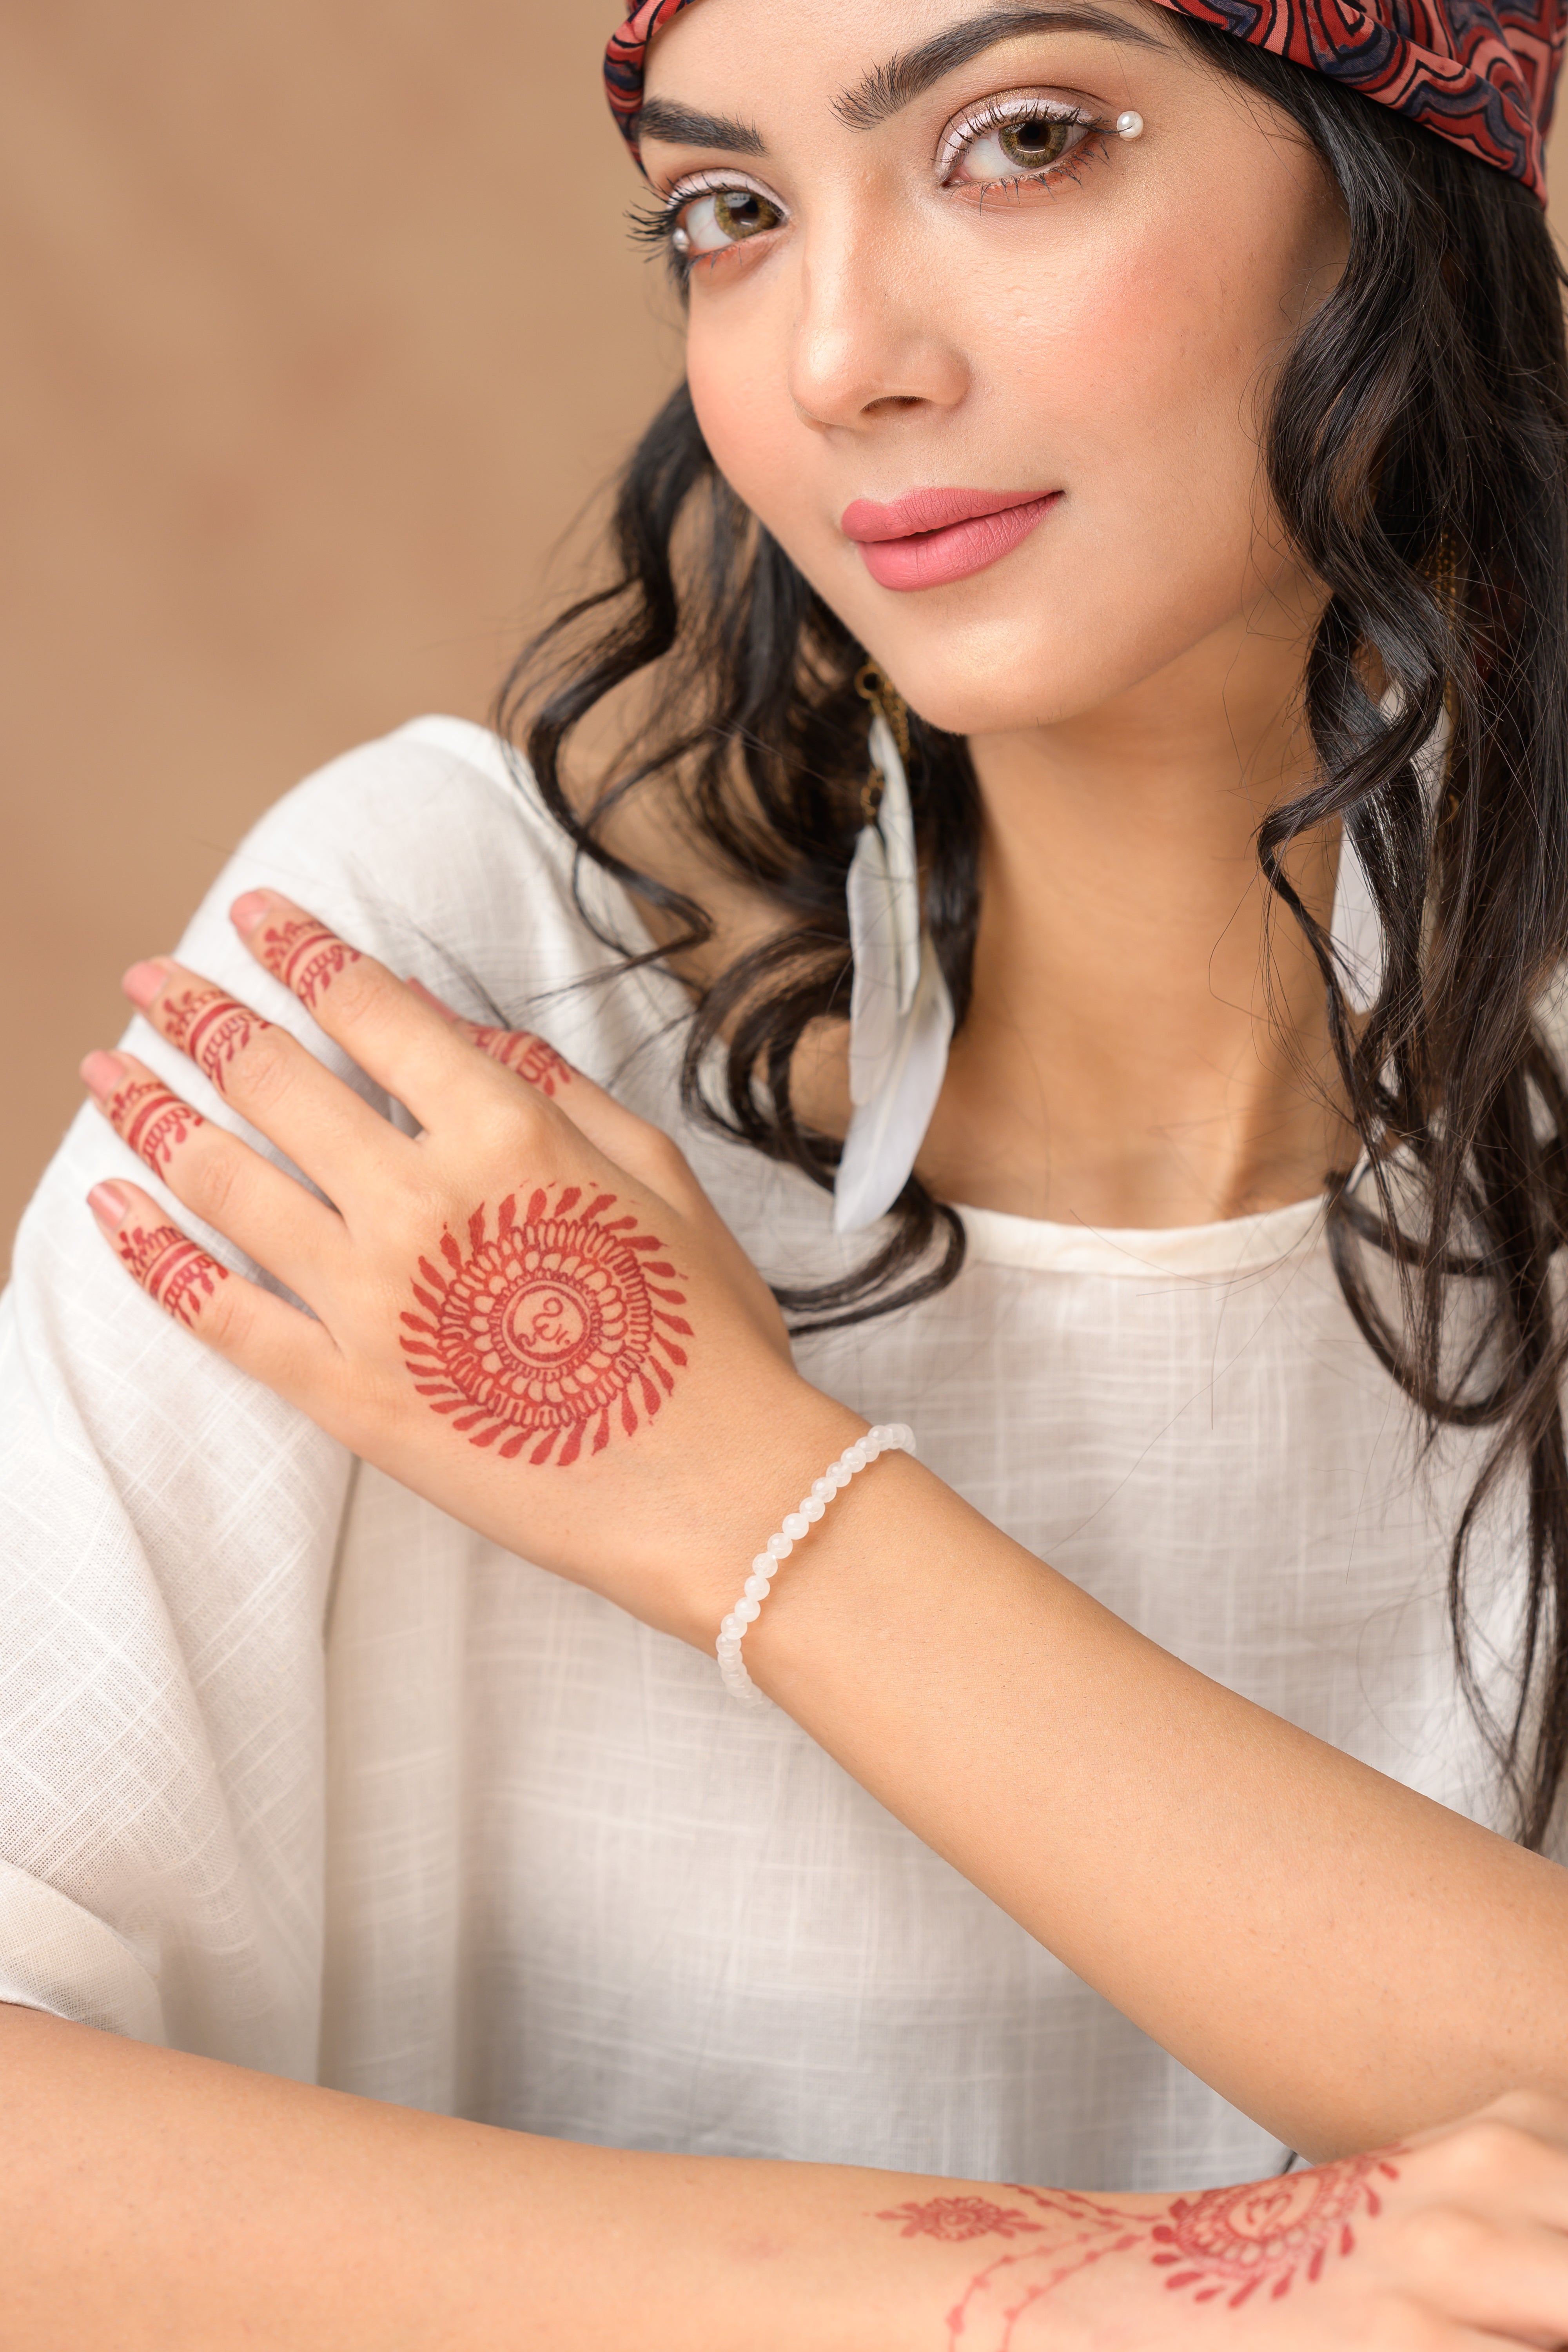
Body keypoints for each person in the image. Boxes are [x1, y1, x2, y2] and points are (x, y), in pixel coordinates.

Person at [5, 0, 1568, 2337]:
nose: (838, 356)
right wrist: (1127, 2300)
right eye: (731, 213)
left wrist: (735, 1498)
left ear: (1398, 188)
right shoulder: (460, 981)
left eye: (1026, 141)